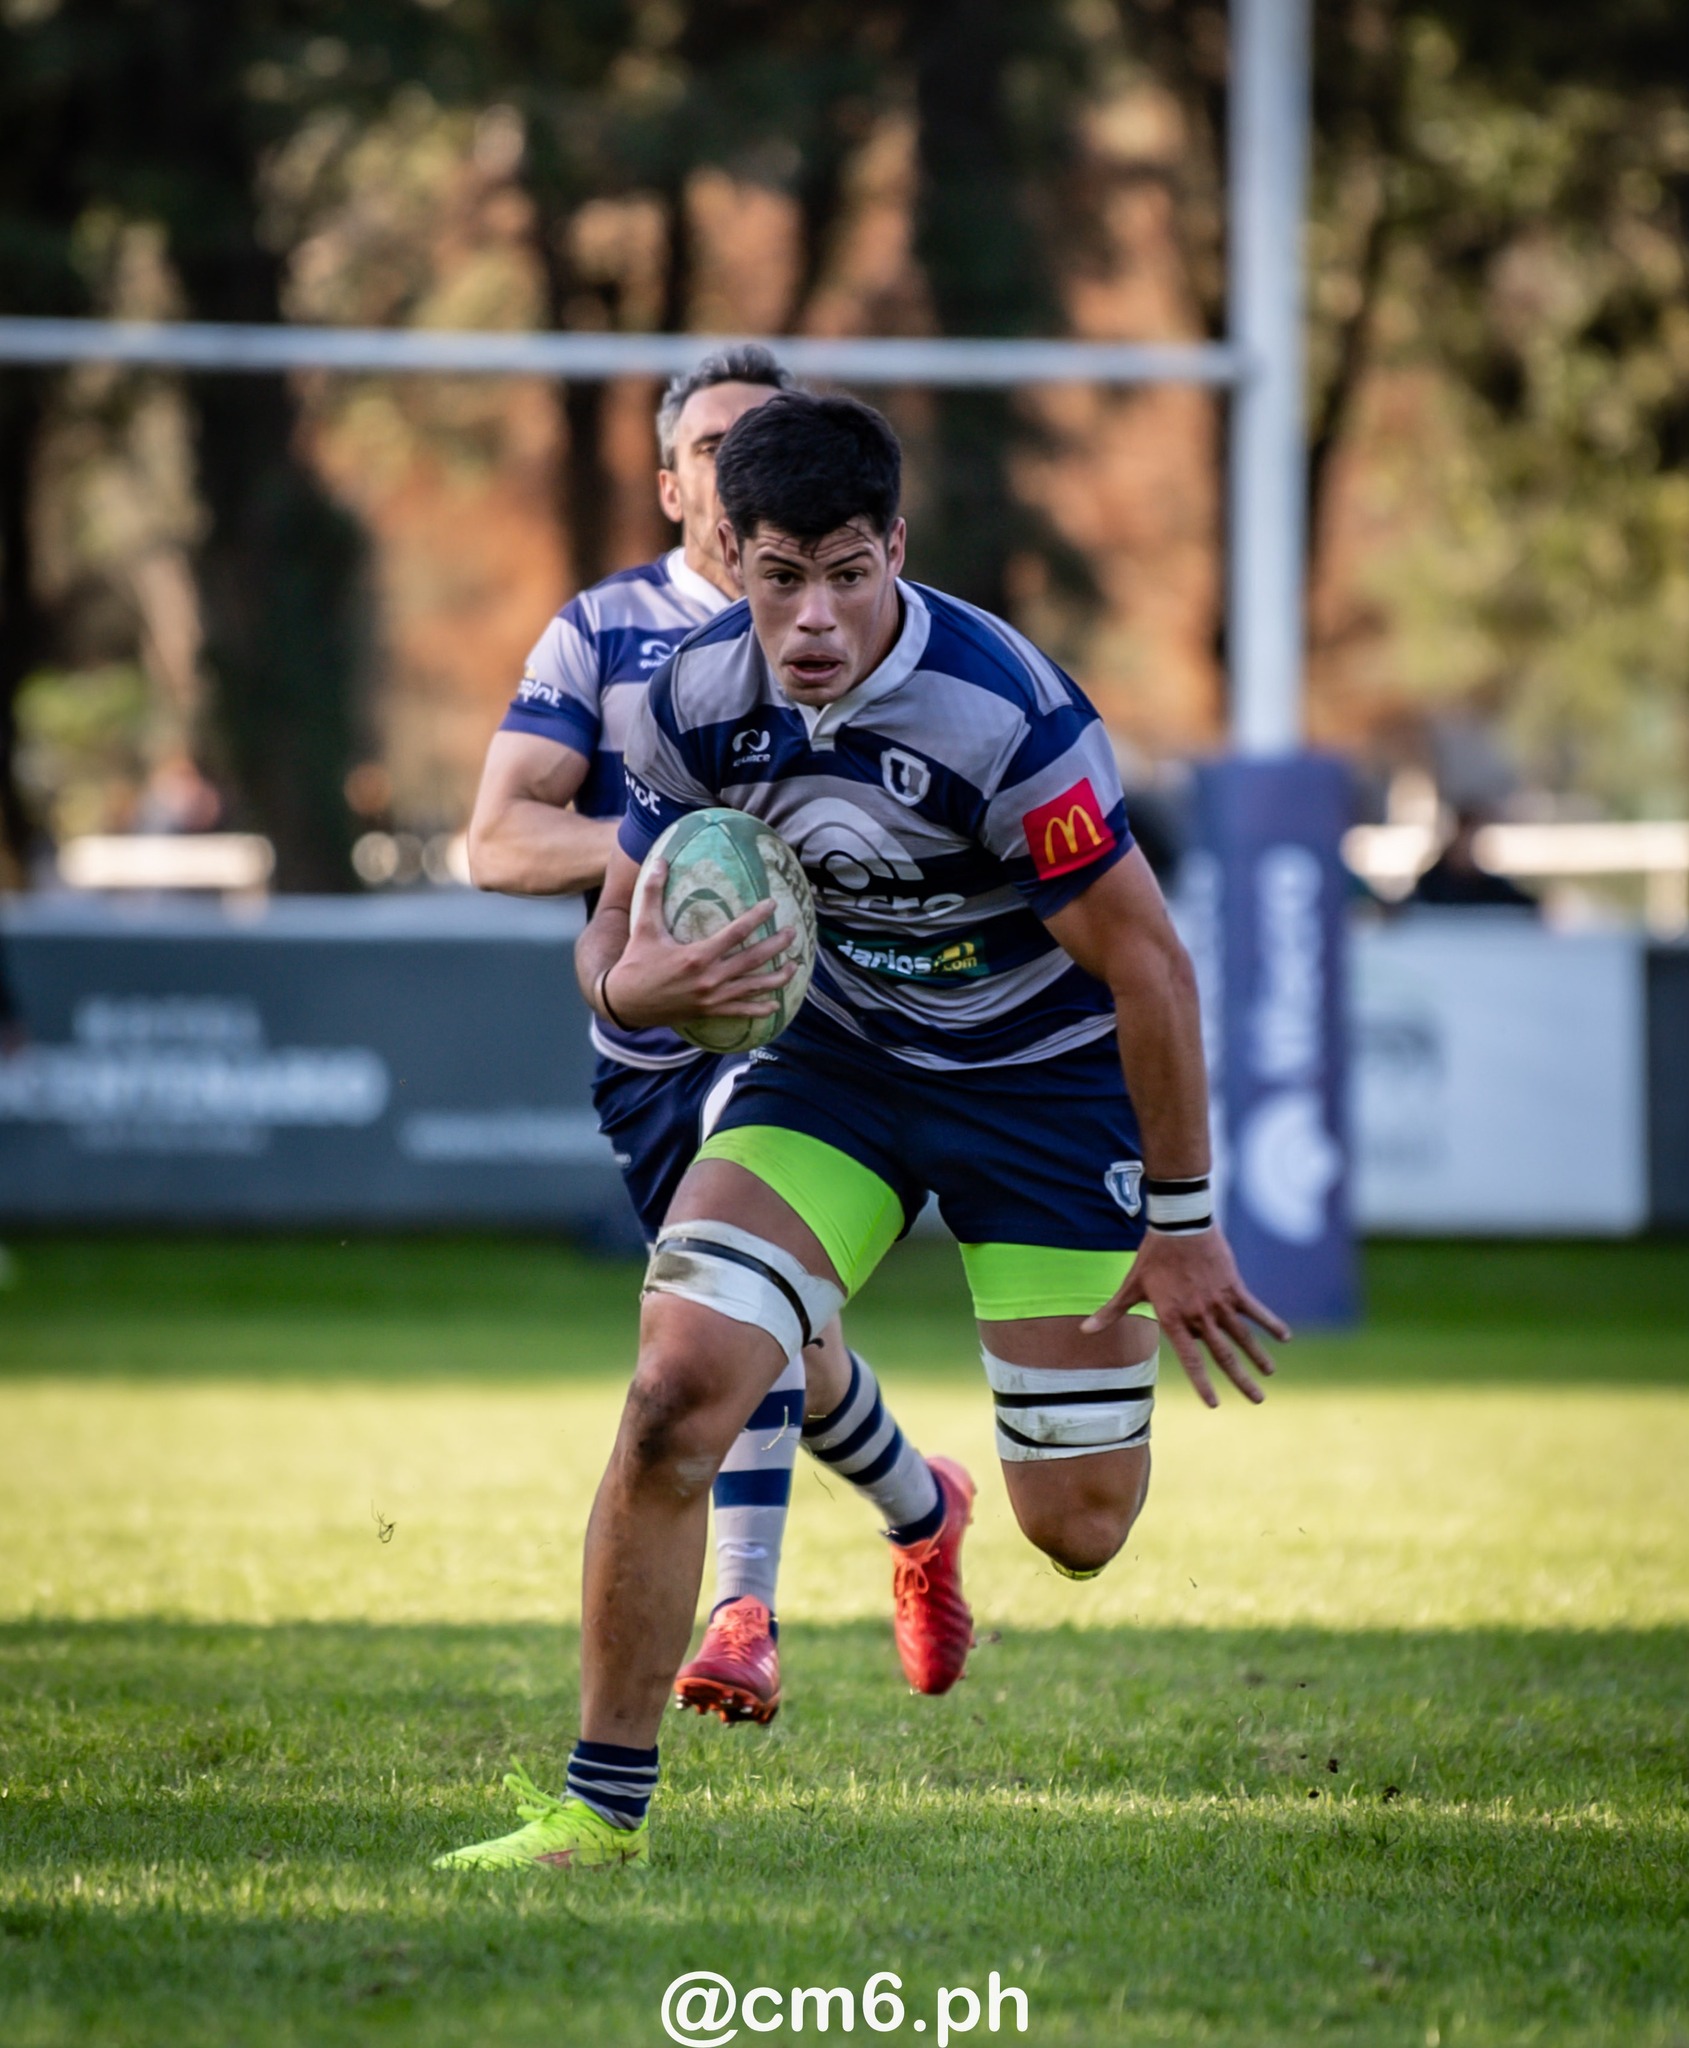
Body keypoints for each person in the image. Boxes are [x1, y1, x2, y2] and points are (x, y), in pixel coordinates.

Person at [435, 391, 1288, 1876]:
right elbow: (614, 934)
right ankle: (597, 1811)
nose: (814, 615)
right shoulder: (690, 700)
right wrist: (639, 981)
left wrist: (1184, 1215)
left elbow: (1148, 963)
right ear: (729, 560)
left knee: (1079, 1527)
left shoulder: (1004, 714)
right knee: (670, 1394)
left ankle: (946, 1498)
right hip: (835, 1071)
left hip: (1040, 1089)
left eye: (846, 571)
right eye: (778, 577)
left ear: (895, 547)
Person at [465, 348, 967, 1734]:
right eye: (716, 444)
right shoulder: (604, 633)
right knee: (764, 1340)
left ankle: (740, 1610)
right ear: (679, 477)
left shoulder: (872, 632)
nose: (742, 464)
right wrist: (688, 845)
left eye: (769, 437)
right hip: (647, 1021)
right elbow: (496, 839)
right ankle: (925, 1504)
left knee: (725, 1315)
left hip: (807, 1027)